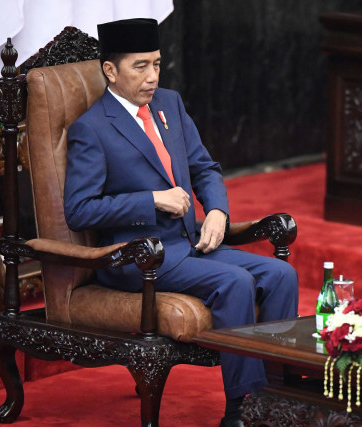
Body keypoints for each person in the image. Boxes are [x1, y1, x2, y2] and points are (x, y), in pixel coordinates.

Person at [63, 18, 299, 427]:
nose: (152, 76)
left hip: (188, 245)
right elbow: (79, 209)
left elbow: (205, 168)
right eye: (140, 66)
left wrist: (219, 213)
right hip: (139, 258)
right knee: (235, 282)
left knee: (281, 274)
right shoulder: (92, 129)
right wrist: (150, 200)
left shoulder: (169, 104)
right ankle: (243, 408)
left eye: (157, 64)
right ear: (110, 71)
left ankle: (282, 396)